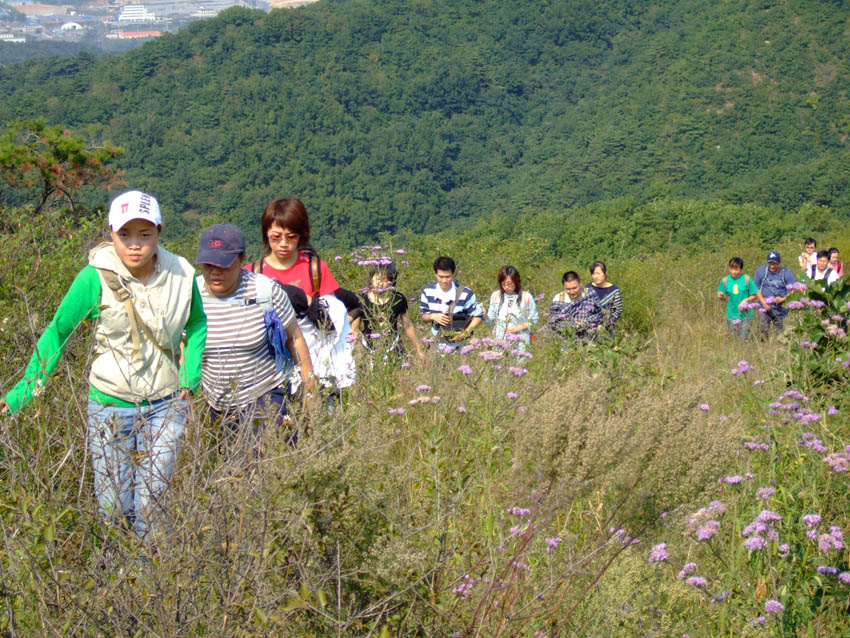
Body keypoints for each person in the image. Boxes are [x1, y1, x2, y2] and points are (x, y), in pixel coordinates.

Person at [1, 190, 207, 537]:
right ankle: (115, 565)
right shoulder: (94, 277)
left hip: (166, 402)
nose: (135, 244)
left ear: (159, 231)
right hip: (109, 404)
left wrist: (190, 375)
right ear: (111, 233)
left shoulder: (181, 275)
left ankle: (147, 571)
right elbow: (58, 332)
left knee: (152, 504)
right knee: (114, 508)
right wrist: (25, 392)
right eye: (124, 234)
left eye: (145, 234)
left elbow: (197, 322)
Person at [195, 224, 315, 445]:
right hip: (216, 403)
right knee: (228, 462)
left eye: (223, 265)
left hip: (263, 393)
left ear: (241, 260)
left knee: (262, 457)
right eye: (208, 265)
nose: (215, 272)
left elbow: (295, 338)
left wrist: (310, 392)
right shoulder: (192, 295)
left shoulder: (265, 291)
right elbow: (183, 347)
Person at [250, 197, 362, 330]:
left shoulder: (316, 269)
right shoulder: (252, 273)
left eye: (291, 237)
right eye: (276, 237)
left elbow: (332, 315)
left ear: (301, 235)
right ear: (266, 233)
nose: (284, 243)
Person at [356, 262, 426, 364]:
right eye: (377, 279)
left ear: (392, 282)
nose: (380, 283)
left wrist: (419, 350)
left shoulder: (398, 298)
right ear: (371, 277)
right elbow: (354, 328)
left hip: (393, 346)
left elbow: (408, 326)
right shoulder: (361, 299)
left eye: (385, 280)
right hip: (368, 348)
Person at [420, 256, 483, 349]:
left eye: (448, 277)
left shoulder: (466, 293)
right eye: (441, 277)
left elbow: (478, 315)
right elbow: (424, 316)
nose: (444, 280)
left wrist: (466, 333)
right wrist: (432, 316)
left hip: (461, 346)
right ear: (435, 274)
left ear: (453, 273)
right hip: (436, 345)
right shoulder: (427, 291)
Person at [485, 265, 538, 351]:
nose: (506, 287)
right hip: (500, 342)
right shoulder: (495, 296)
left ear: (516, 281)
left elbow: (534, 320)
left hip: (521, 343)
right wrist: (484, 315)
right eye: (503, 284)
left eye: (509, 284)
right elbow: (491, 321)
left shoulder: (526, 297)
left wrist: (518, 328)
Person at [547, 271, 603, 342]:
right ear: (564, 287)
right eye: (568, 289)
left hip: (590, 338)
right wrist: (573, 326)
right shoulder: (558, 299)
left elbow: (599, 314)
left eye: (574, 288)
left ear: (580, 283)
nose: (572, 292)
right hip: (567, 340)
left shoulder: (590, 294)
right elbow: (554, 322)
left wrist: (585, 323)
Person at [754, 250, 796, 337]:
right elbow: (756, 289)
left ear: (779, 263)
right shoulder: (761, 271)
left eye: (775, 264)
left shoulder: (786, 273)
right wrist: (763, 303)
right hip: (764, 305)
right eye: (770, 263)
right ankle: (763, 343)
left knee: (781, 332)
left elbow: (793, 290)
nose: (772, 266)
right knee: (762, 329)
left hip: (780, 306)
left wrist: (783, 299)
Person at [717, 257, 758, 340]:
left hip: (746, 315)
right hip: (731, 314)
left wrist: (746, 300)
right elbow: (722, 296)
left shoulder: (746, 279)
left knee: (744, 339)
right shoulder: (725, 281)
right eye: (731, 269)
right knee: (734, 340)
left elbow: (755, 295)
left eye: (736, 269)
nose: (734, 271)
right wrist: (721, 296)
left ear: (741, 269)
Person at [586, 261, 623, 337]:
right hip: (590, 329)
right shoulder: (589, 288)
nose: (596, 276)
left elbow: (617, 311)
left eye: (598, 273)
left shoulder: (614, 290)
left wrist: (604, 325)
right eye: (593, 274)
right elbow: (584, 307)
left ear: (605, 273)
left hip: (607, 330)